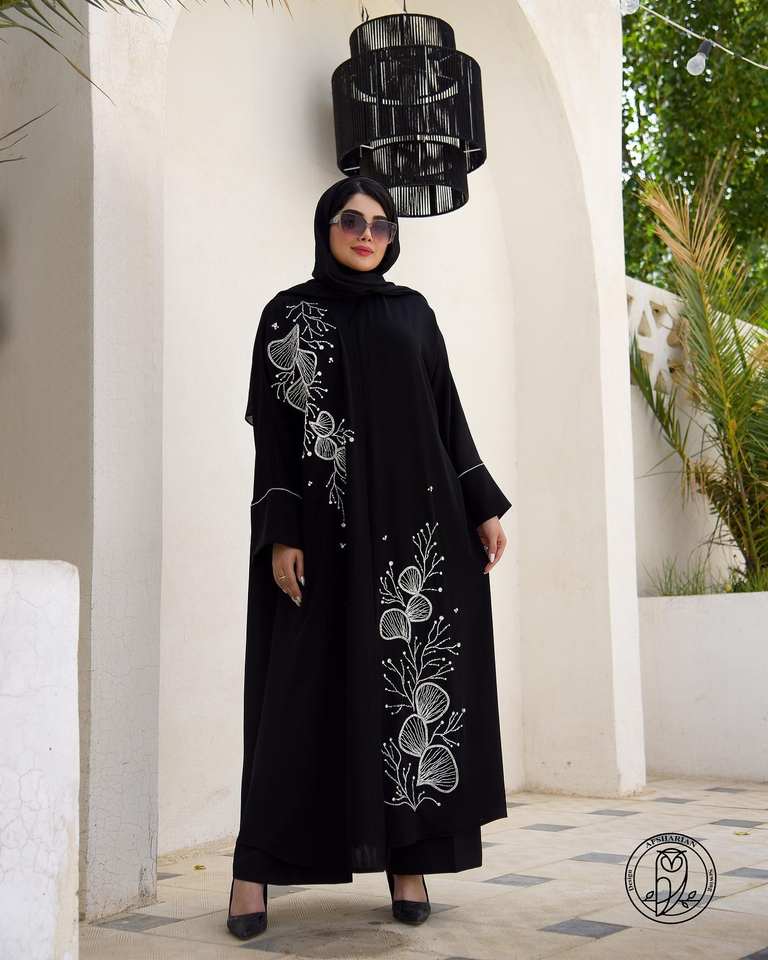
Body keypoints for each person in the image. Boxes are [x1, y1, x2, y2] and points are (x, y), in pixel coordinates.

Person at [227, 176, 511, 940]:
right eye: (352, 220)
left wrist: (481, 504)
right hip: (324, 539)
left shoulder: (412, 312)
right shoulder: (288, 314)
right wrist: (281, 531)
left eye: (382, 225)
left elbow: (446, 414)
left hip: (417, 540)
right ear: (325, 227)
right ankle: (253, 870)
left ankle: (408, 862)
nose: (366, 234)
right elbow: (274, 437)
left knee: (404, 700)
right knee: (297, 700)